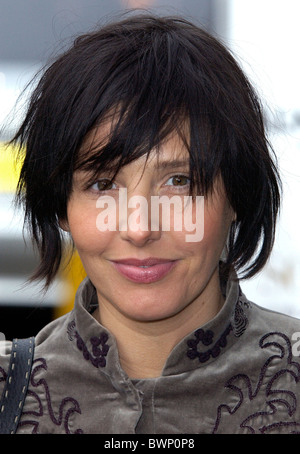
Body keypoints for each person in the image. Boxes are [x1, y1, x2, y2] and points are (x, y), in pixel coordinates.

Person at [1, 13, 300, 435]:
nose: (140, 228)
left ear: (236, 195)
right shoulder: (9, 392)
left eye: (179, 182)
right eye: (103, 184)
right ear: (61, 207)